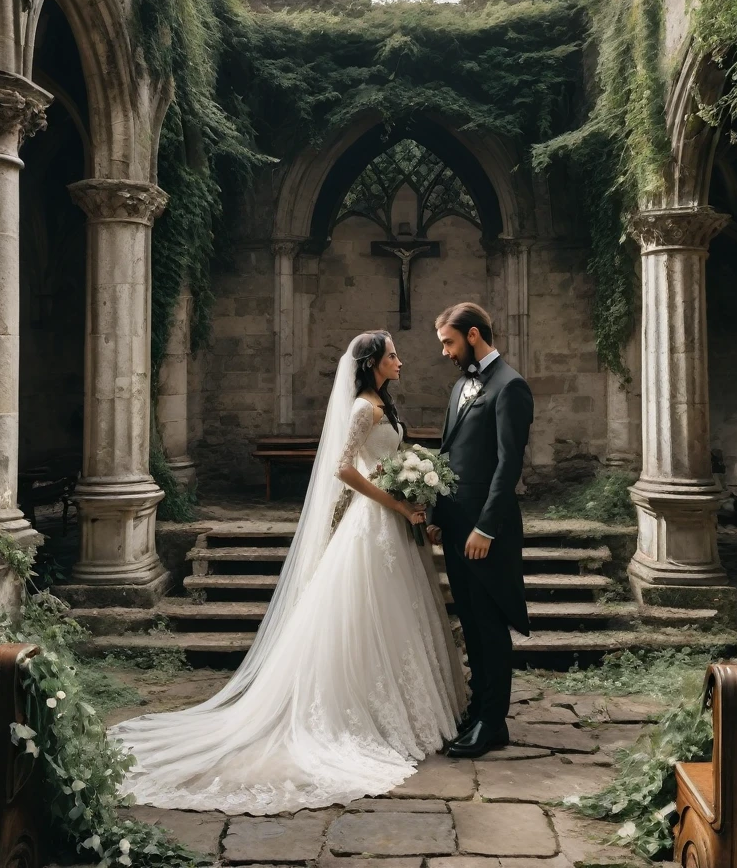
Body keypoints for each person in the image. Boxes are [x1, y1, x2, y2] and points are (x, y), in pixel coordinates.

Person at [112, 332, 465, 815]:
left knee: (399, 612)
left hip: (396, 521)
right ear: (372, 364)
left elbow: (385, 461)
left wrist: (412, 489)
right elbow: (344, 468)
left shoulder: (382, 403)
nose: (401, 361)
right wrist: (397, 502)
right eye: (392, 356)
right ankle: (364, 716)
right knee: (370, 612)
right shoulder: (364, 408)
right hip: (376, 521)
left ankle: (409, 705)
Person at [428, 302, 534, 759]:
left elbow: (509, 463)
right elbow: (449, 453)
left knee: (490, 626)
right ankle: (479, 710)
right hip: (455, 527)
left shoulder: (511, 387)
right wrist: (435, 513)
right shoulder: (461, 386)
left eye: (449, 342)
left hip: (486, 532)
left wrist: (485, 528)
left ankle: (493, 723)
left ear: (473, 335)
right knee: (470, 623)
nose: (445, 352)